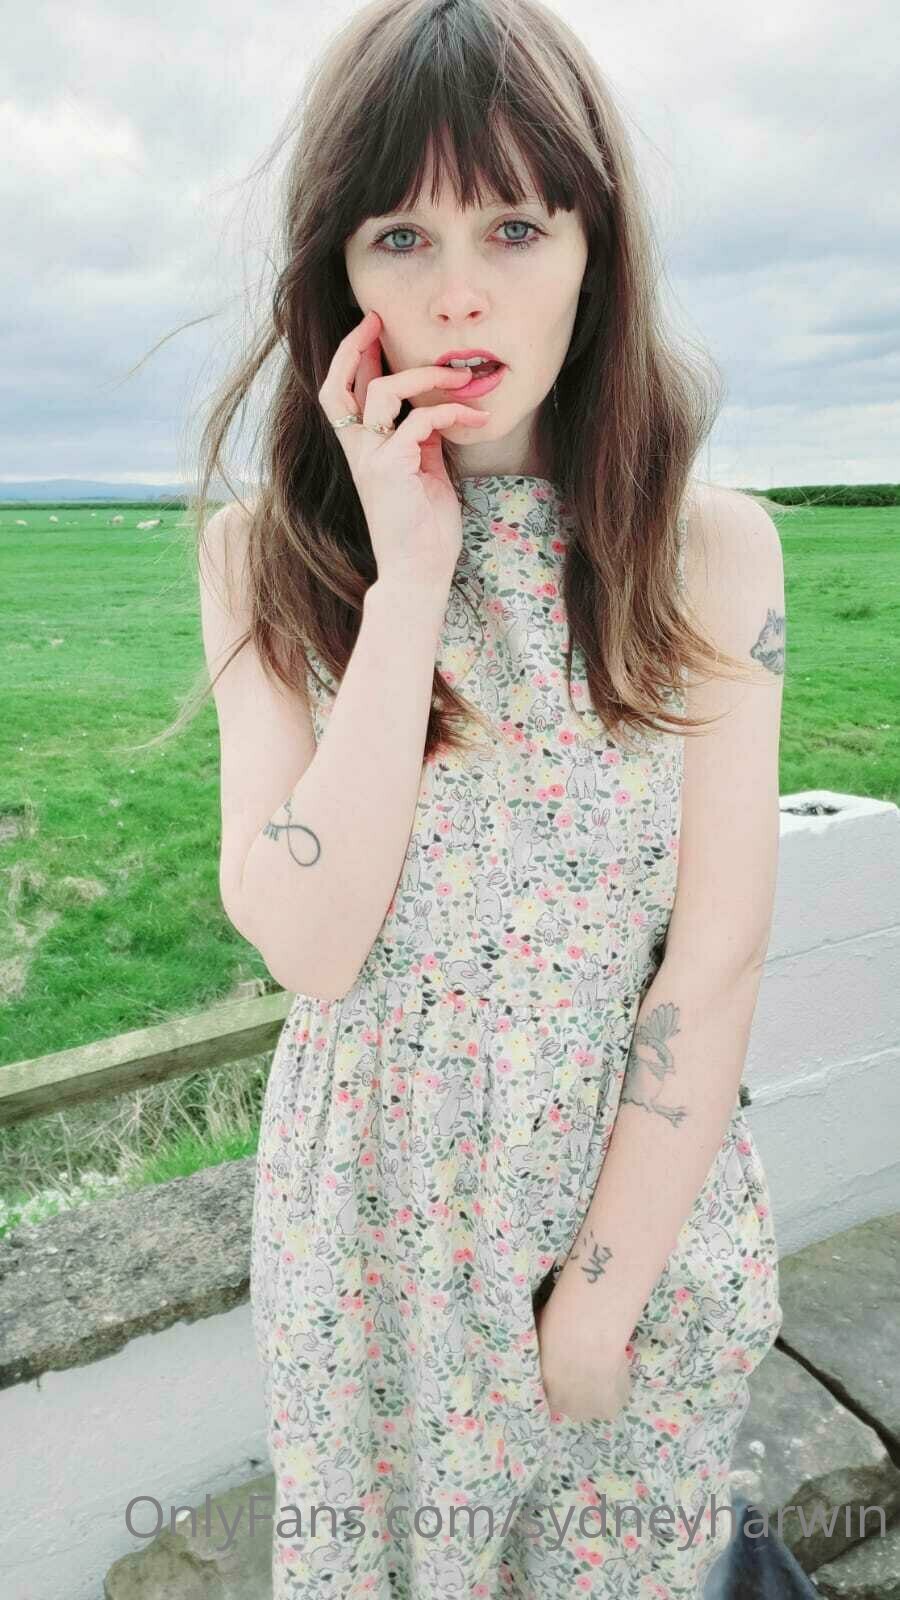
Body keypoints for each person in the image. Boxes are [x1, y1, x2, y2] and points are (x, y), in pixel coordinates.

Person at [194, 0, 788, 1593]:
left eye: (516, 225)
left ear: (596, 248)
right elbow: (310, 943)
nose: (460, 291)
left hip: (621, 1204)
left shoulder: (705, 550)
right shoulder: (267, 559)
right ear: (337, 272)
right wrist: (410, 581)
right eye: (402, 234)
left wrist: (597, 1299)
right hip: (371, 1230)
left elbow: (718, 949)